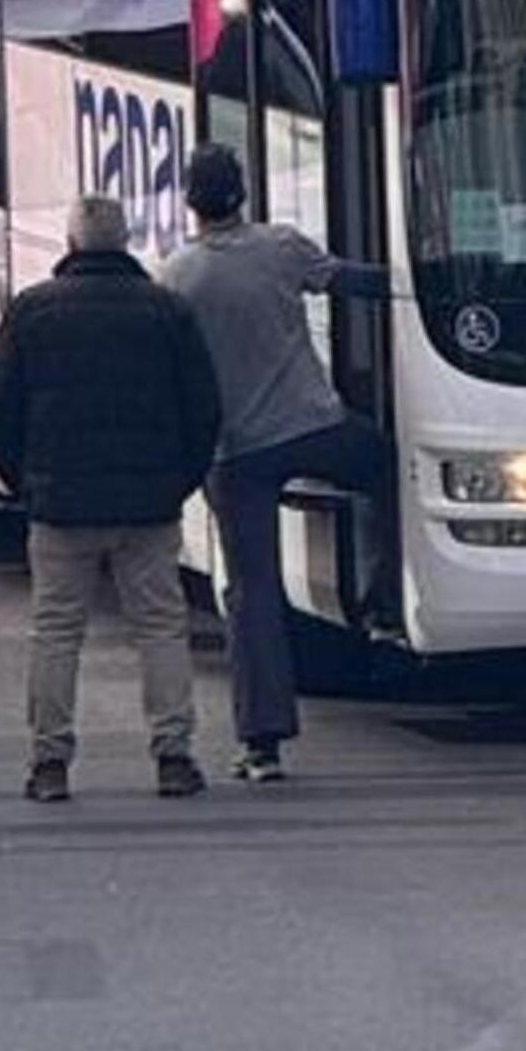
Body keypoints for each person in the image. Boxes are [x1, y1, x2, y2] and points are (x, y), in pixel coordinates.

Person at [159, 144, 393, 785]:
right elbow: (354, 281)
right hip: (312, 425)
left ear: (191, 203)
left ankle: (261, 742)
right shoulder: (281, 248)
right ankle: (379, 596)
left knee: (250, 591)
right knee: (385, 466)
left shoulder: (177, 276)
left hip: (234, 455)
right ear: (243, 193)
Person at [0, 195, 219, 804]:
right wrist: (176, 484)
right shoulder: (165, 311)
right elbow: (203, 411)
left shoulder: (31, 312)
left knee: (56, 632)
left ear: (70, 244)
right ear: (125, 243)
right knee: (162, 629)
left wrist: (27, 485)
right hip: (148, 506)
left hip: (60, 505)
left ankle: (50, 762)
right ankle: (173, 754)